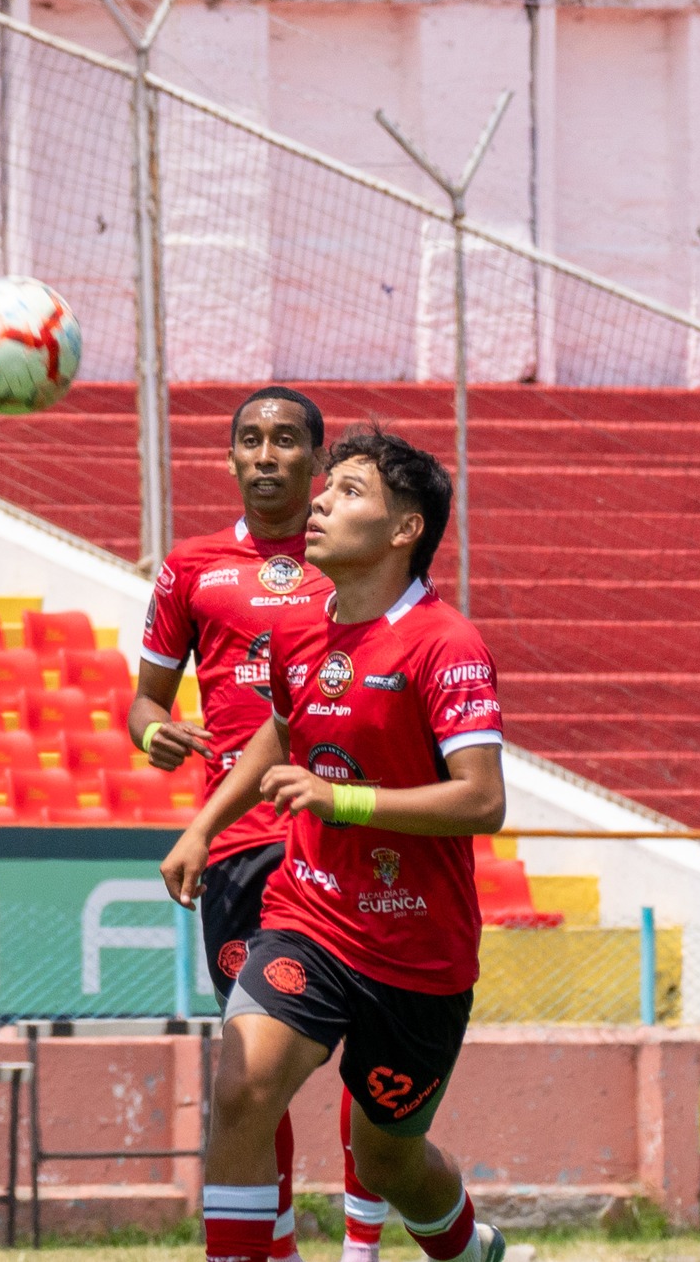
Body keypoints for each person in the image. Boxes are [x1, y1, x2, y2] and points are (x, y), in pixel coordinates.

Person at [160, 428, 508, 1262]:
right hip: (308, 913)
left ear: (404, 529)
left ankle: (467, 1250)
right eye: (328, 489)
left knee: (390, 1159)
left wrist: (341, 796)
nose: (318, 500)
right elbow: (281, 734)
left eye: (349, 491)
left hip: (417, 952)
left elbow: (483, 799)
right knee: (244, 1086)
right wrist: (202, 826)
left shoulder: (445, 643)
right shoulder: (299, 632)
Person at [130, 386, 386, 1262]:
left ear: (318, 462)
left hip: (346, 827)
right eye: (251, 440)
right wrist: (152, 733)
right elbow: (144, 700)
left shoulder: (353, 565)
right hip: (244, 846)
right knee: (251, 1071)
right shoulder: (191, 567)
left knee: (369, 1056)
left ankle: (362, 1246)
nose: (267, 455)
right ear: (232, 457)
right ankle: (271, 1246)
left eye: (285, 440)